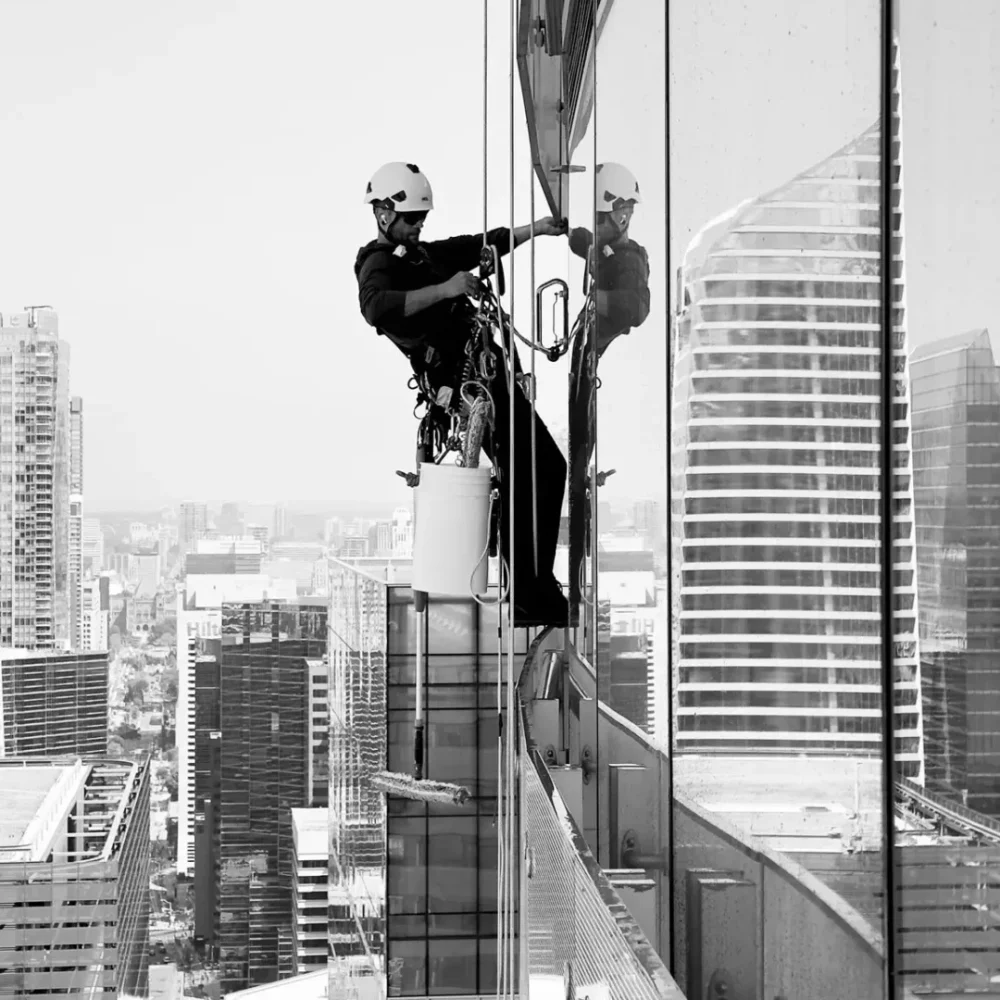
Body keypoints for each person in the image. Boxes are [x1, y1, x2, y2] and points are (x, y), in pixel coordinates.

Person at [355, 161, 569, 627]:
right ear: (385, 214)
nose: (418, 227)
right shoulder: (377, 263)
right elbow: (376, 308)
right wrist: (446, 288)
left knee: (535, 470)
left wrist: (536, 230)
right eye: (411, 219)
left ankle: (532, 589)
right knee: (543, 467)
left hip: (483, 376)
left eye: (421, 220)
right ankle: (532, 592)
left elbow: (474, 245)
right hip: (469, 387)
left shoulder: (421, 256)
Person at [566, 163, 651, 614]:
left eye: (627, 208)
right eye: (622, 207)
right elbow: (581, 239)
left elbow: (637, 307)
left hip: (589, 370)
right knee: (575, 468)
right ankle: (576, 577)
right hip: (583, 364)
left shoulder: (629, 256)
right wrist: (565, 231)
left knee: (579, 470)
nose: (627, 215)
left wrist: (595, 300)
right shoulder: (600, 248)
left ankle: (577, 581)